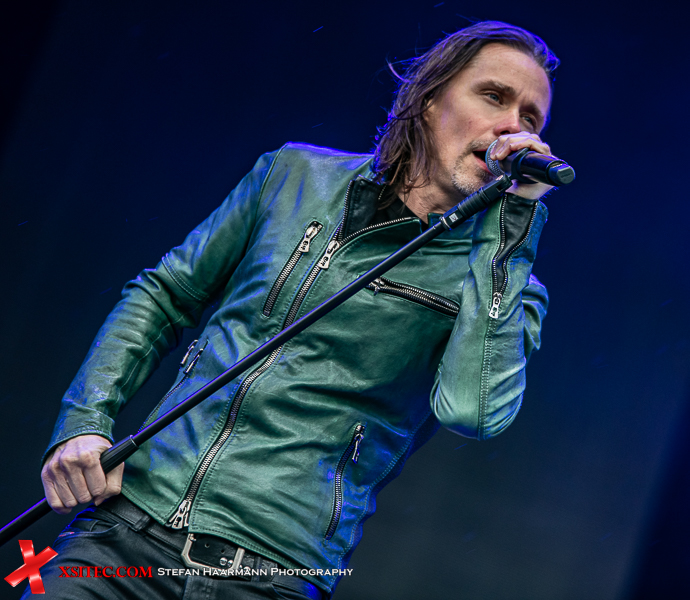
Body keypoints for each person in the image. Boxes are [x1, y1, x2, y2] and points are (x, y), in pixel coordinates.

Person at [31, 20, 558, 600]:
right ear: (430, 100)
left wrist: (510, 233)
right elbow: (164, 295)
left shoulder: (507, 285)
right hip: (124, 530)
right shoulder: (293, 175)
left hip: (271, 574)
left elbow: (473, 411)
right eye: (493, 96)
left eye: (531, 118)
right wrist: (83, 423)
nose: (513, 126)